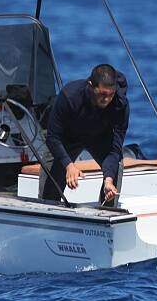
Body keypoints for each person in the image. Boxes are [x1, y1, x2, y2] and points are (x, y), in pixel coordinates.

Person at [42, 64, 129, 205]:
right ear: (90, 85)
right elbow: (52, 137)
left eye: (110, 95)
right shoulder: (70, 96)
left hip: (99, 137)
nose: (106, 100)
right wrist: (69, 165)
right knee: (51, 181)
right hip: (67, 137)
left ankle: (107, 211)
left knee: (115, 166)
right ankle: (46, 213)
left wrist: (109, 179)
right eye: (102, 94)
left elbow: (115, 147)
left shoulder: (120, 104)